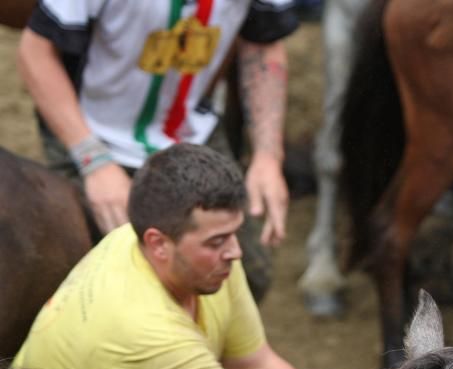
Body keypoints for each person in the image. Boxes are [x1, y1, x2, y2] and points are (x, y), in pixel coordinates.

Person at [16, 0, 298, 300]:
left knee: (248, 277)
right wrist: (94, 161)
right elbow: (35, 52)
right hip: (93, 135)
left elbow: (263, 43)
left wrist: (268, 156)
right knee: (96, 287)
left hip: (192, 135)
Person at [12, 143, 323, 369]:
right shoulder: (144, 332)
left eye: (233, 233)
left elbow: (256, 367)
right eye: (216, 242)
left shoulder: (211, 259)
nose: (236, 252)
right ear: (158, 243)